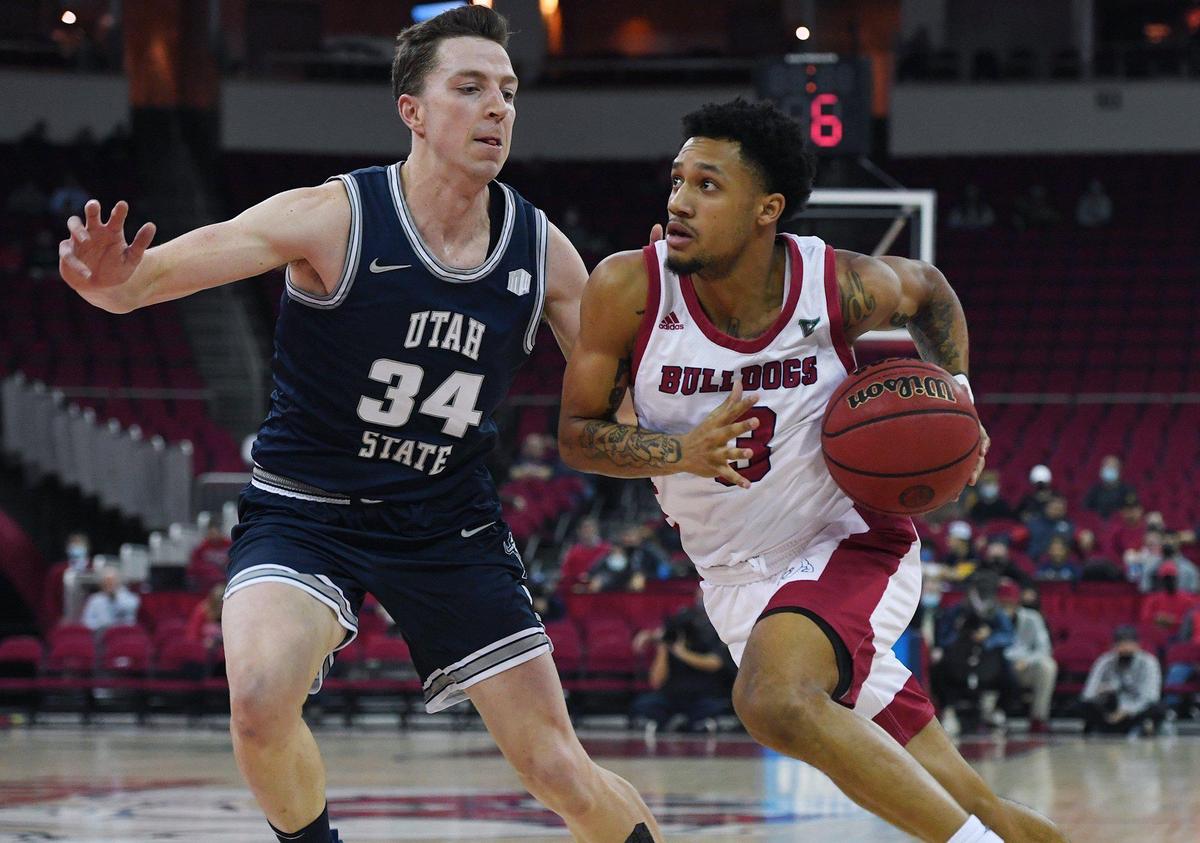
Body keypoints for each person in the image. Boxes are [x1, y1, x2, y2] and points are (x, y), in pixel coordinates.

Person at [57, 8, 661, 843]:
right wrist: (110, 284)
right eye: (471, 87)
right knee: (260, 700)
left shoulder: (543, 251)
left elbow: (623, 408)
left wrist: (671, 347)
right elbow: (150, 278)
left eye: (509, 92)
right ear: (412, 109)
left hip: (449, 523)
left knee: (557, 767)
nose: (498, 109)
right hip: (307, 510)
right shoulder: (333, 216)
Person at [559, 98, 1063, 843]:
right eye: (677, 181)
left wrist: (958, 397)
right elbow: (576, 435)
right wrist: (679, 452)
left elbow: (928, 289)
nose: (679, 201)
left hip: (848, 545)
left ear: (766, 209)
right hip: (735, 584)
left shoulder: (834, 284)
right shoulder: (628, 290)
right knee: (977, 803)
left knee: (770, 698)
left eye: (707, 185)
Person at [631, 595, 735, 736]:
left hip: (701, 694)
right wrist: (663, 649)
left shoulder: (712, 632)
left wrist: (683, 654)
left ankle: (694, 723)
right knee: (643, 705)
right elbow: (656, 682)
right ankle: (669, 722)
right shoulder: (671, 640)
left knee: (714, 707)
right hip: (672, 695)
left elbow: (715, 663)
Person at [931, 572, 1017, 735]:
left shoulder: (996, 612)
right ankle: (948, 710)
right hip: (959, 658)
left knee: (1009, 673)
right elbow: (943, 638)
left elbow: (1009, 636)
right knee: (938, 668)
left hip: (988, 659)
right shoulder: (956, 611)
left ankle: (998, 711)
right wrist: (961, 633)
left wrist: (989, 638)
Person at [1080, 625, 1165, 736]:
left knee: (1157, 708)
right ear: (1113, 646)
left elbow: (1151, 696)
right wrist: (1100, 692)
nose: (1125, 649)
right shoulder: (1105, 661)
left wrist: (1126, 710)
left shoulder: (1149, 663)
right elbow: (1087, 693)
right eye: (1121, 645)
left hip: (1136, 709)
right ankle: (1107, 729)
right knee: (1082, 706)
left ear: (1137, 646)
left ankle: (1137, 728)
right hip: (1110, 710)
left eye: (1129, 645)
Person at [997, 579, 1056, 734]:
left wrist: (1026, 661)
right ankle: (989, 718)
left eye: (1010, 603)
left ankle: (1038, 718)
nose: (1006, 608)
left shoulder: (1032, 618)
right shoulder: (991, 618)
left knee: (1047, 666)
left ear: (1017, 602)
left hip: (1024, 667)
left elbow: (1044, 648)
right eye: (1003, 604)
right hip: (998, 666)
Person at [1138, 562, 1196, 637]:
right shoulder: (1153, 599)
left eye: (1172, 578)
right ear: (1161, 581)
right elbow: (1145, 619)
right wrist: (1157, 619)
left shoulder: (1188, 599)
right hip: (1158, 636)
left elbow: (1193, 621)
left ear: (1177, 579)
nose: (1169, 582)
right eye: (1166, 579)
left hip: (1181, 636)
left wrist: (1173, 621)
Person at [81, 568, 140, 633]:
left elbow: (130, 609)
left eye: (112, 581)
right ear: (102, 584)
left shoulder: (129, 597)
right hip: (102, 634)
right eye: (106, 582)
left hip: (124, 634)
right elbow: (86, 622)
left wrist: (115, 597)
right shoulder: (94, 599)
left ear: (118, 582)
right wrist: (103, 624)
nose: (109, 584)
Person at [187, 523, 232, 593]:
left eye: (216, 533)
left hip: (228, 580)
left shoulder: (229, 544)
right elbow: (194, 567)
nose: (214, 536)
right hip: (208, 585)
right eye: (212, 534)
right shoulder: (201, 548)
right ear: (208, 535)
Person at [1026, 495, 1074, 561]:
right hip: (1036, 561)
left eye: (1060, 509)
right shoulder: (1034, 523)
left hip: (1062, 563)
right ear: (1047, 507)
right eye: (1054, 508)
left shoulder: (1068, 525)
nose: (1057, 511)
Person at [186, 583, 226, 650]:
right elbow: (192, 637)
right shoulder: (202, 611)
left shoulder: (231, 612)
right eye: (219, 603)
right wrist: (204, 643)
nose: (221, 606)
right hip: (203, 649)